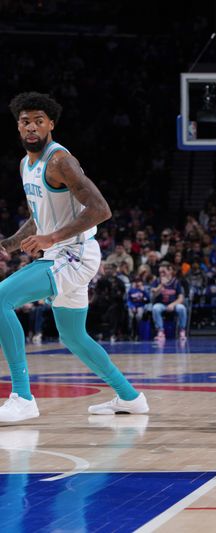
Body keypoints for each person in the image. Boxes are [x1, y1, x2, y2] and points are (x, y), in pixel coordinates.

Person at [0, 92, 148, 422]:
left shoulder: (60, 160)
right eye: (25, 121)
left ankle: (23, 397)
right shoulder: (26, 164)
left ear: (51, 124)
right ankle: (130, 396)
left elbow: (101, 209)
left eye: (39, 120)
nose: (32, 127)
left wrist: (50, 238)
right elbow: (40, 217)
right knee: (72, 336)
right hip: (60, 253)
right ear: (18, 127)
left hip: (75, 254)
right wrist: (7, 246)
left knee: (1, 300)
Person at [150, 263, 188, 341]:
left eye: (164, 272)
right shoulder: (156, 281)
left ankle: (182, 330)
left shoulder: (176, 282)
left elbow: (181, 298)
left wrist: (173, 304)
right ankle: (160, 331)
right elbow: (154, 295)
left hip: (173, 304)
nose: (162, 274)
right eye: (160, 272)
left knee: (182, 308)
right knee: (155, 308)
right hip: (161, 304)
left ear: (170, 271)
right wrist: (161, 285)